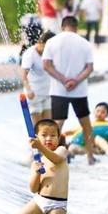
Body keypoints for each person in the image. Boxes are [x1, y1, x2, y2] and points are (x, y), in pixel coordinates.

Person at [42, 15, 96, 165]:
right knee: (86, 125)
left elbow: (46, 65)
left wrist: (63, 80)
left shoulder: (52, 42)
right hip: (79, 91)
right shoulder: (85, 43)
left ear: (62, 26)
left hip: (59, 90)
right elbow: (89, 68)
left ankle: (49, 158)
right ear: (76, 27)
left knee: (56, 125)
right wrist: (75, 81)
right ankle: (90, 157)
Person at [21, 31, 55, 126]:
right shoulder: (30, 54)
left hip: (47, 92)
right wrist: (28, 90)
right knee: (38, 127)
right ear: (40, 43)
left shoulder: (51, 53)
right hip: (34, 94)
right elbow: (24, 74)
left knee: (47, 126)